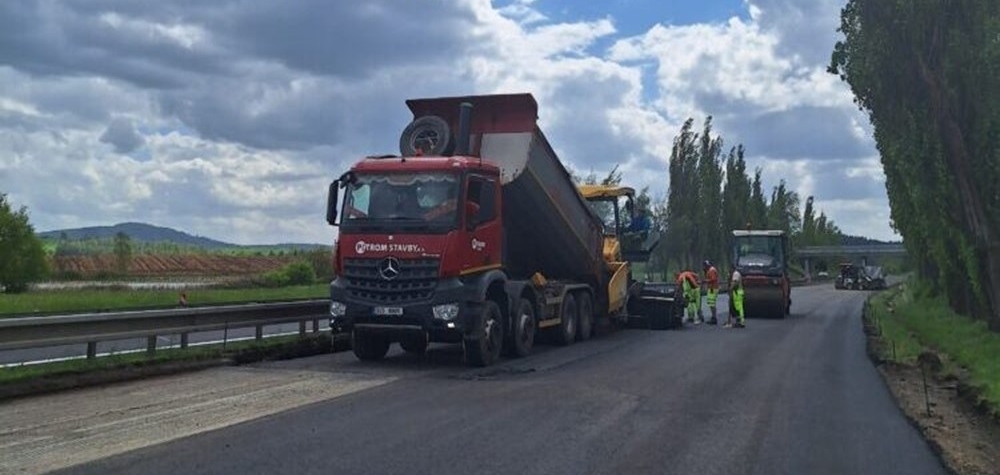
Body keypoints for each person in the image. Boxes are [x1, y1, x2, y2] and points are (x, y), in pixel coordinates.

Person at [702, 260, 719, 325]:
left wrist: (706, 281)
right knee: (711, 303)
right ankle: (713, 317)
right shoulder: (710, 270)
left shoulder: (712, 270)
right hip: (711, 288)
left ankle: (714, 318)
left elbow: (713, 279)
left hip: (713, 288)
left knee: (712, 304)